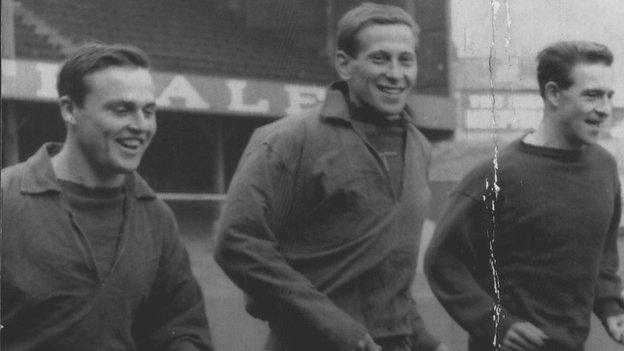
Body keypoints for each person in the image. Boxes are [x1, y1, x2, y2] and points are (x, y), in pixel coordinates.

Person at [214, 3, 449, 351]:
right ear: (344, 64)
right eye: (380, 58)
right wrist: (333, 326)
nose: (396, 73)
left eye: (406, 59)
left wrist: (425, 341)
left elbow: (389, 276)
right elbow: (237, 242)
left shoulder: (419, 146)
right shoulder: (289, 139)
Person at [1, 43, 213, 350]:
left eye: (148, 111)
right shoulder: (6, 199)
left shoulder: (155, 216)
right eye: (121, 109)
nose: (141, 126)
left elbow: (180, 327)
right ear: (69, 109)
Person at [425, 40, 624, 351]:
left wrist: (611, 307)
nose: (604, 109)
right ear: (553, 93)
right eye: (592, 95)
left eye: (609, 96)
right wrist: (494, 322)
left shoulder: (604, 167)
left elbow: (602, 254)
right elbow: (442, 261)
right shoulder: (498, 174)